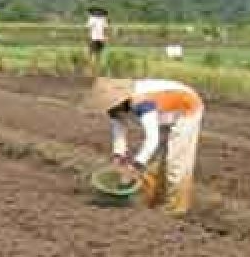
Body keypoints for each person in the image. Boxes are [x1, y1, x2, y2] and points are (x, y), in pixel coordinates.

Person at [87, 77, 204, 215]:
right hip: (166, 110)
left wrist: (135, 166)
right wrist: (118, 157)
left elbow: (152, 139)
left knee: (176, 162)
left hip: (187, 108)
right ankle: (155, 201)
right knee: (157, 161)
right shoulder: (114, 108)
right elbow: (118, 131)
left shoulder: (141, 101)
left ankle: (176, 208)